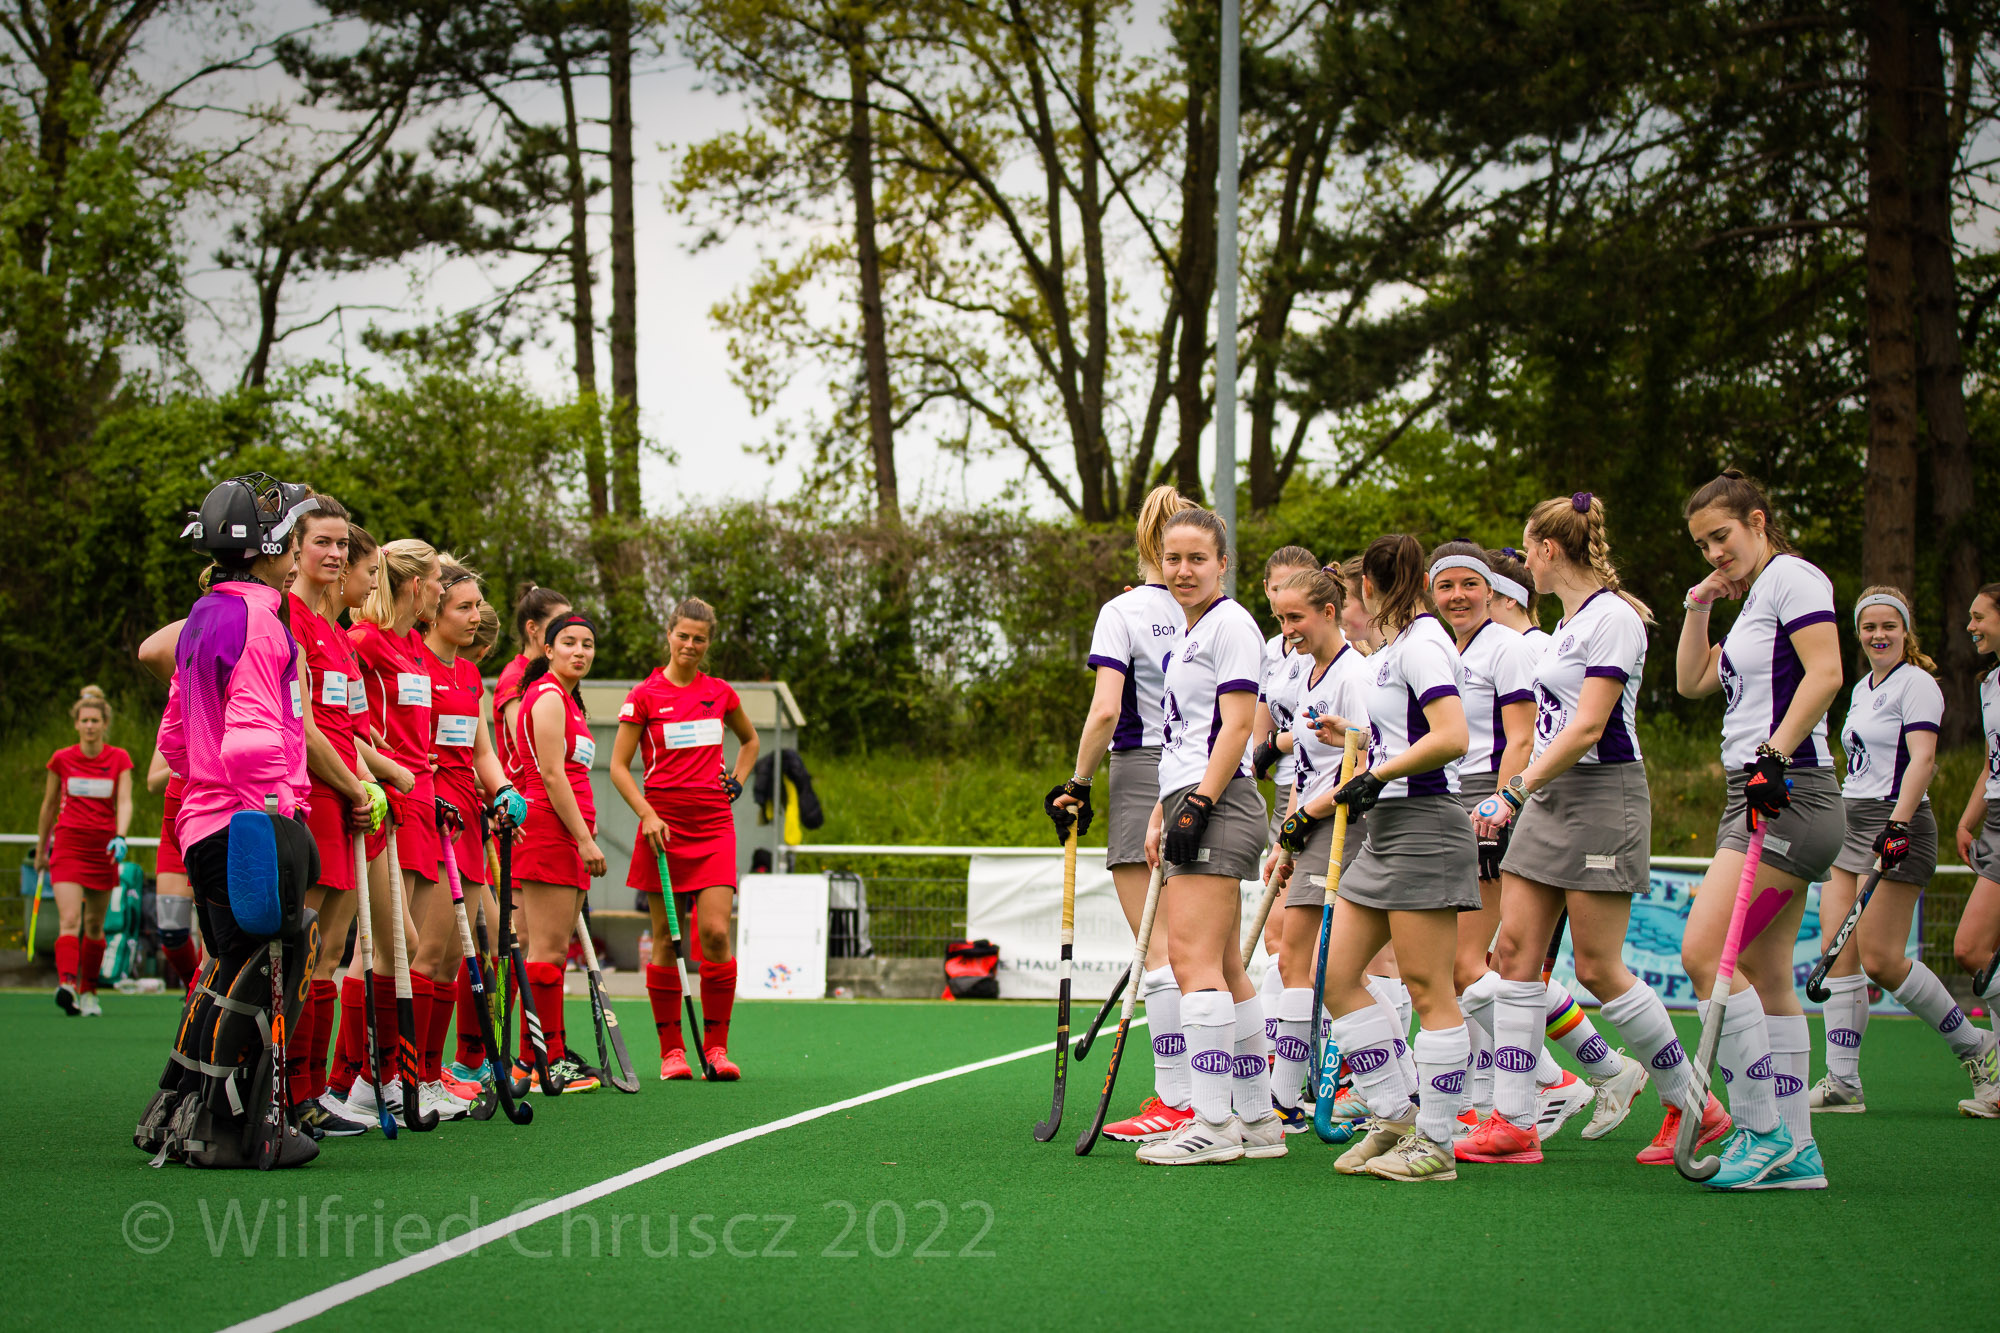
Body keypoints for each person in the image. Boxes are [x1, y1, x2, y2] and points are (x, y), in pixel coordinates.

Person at [1458, 494, 1688, 1169]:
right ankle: (1514, 1123)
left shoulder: (1614, 618)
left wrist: (1513, 790)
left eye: (1527, 548)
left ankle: (1693, 1101)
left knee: (1597, 967)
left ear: (1549, 549)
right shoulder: (1568, 623)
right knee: (1512, 955)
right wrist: (1525, 790)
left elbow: (1589, 727)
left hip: (1601, 796)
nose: (1523, 561)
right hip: (1552, 797)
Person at [1279, 534, 1474, 1182]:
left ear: (1369, 589)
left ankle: (1438, 1143)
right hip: (1386, 829)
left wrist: (1376, 772)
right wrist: (1356, 737)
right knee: (1334, 977)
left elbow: (1452, 736)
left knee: (1428, 987)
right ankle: (1395, 1115)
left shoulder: (1422, 643)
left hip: (1424, 824)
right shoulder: (1393, 651)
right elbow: (1405, 731)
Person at [1674, 471, 1846, 1190]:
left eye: (1722, 536)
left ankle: (1761, 1129)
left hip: (1788, 793)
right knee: (1768, 974)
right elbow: (1691, 682)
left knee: (1703, 955)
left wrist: (1774, 755)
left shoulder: (1793, 579)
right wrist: (1698, 606)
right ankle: (1797, 1150)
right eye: (1702, 544)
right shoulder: (1751, 603)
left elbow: (1827, 672)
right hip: (1753, 794)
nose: (1715, 552)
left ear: (1758, 521)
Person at [145, 473, 322, 1165]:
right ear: (270, 550)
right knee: (271, 959)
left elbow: (173, 738)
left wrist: (213, 784)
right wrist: (277, 813)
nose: (299, 553)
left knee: (228, 964)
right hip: (248, 820)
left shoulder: (204, 614)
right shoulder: (261, 621)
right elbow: (250, 743)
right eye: (293, 541)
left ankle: (186, 1111)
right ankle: (237, 1128)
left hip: (203, 820)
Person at [1046, 485, 1195, 1143]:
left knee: (1157, 950)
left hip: (1143, 772)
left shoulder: (1123, 611)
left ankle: (1177, 1098)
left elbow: (1107, 709)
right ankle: (1237, 1100)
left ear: (1140, 542)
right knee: (1208, 953)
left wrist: (1077, 782)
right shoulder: (1216, 613)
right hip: (1211, 772)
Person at [1132, 506, 1278, 1165]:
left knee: (1193, 962)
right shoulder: (1191, 634)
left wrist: (1197, 804)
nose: (1184, 570)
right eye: (1173, 558)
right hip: (1192, 796)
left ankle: (1213, 1123)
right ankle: (1258, 1120)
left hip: (1217, 800)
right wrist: (1163, 812)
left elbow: (1238, 726)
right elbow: (1184, 736)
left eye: (1197, 558)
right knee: (1223, 966)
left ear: (1223, 563)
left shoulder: (1231, 624)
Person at [1814, 586, 1993, 1114]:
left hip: (1898, 823)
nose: (1878, 635)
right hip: (1852, 822)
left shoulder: (1917, 684)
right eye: (1868, 627)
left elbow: (1924, 759)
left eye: (1888, 625)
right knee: (1837, 952)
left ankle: (1976, 1048)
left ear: (1905, 630)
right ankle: (1843, 1082)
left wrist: (1897, 824)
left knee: (1883, 960)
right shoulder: (1862, 688)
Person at [613, 597, 760, 1081]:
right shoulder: (644, 695)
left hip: (714, 825)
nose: (690, 645)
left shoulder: (719, 692)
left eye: (700, 638)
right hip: (663, 827)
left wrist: (737, 779)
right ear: (669, 635)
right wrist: (647, 814)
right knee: (664, 939)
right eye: (683, 635)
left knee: (715, 933)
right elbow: (618, 767)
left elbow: (750, 740)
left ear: (708, 643)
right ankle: (671, 1052)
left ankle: (716, 1049)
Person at [342, 537, 463, 1124]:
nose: (442, 589)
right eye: (437, 579)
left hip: (418, 799)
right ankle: (353, 1080)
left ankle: (380, 1077)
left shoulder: (413, 646)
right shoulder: (364, 640)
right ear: (415, 584)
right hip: (385, 799)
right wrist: (384, 771)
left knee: (399, 948)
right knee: (391, 945)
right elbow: (344, 725)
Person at [281, 496, 385, 1136]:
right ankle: (284, 1094)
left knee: (324, 958)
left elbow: (347, 730)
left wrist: (369, 783)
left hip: (346, 800)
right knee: (298, 955)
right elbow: (304, 729)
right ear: (294, 550)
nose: (337, 554)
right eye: (322, 541)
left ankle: (312, 1094)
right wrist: (354, 787)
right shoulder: (286, 618)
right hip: (313, 797)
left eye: (343, 543)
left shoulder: (334, 634)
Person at [1259, 566, 1371, 1132]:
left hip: (1345, 823)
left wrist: (1311, 815)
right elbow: (1305, 764)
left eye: (1296, 617)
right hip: (1311, 823)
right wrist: (1289, 829)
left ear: (1329, 612)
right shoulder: (1307, 672)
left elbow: (1367, 762)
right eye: (1281, 618)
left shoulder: (1355, 674)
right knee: (1299, 962)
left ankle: (1284, 1101)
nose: (1287, 629)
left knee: (1306, 963)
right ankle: (1288, 1099)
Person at [420, 560, 526, 1094]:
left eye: (477, 605)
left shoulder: (467, 675)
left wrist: (504, 790)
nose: (476, 616)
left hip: (468, 818)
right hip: (429, 814)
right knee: (428, 954)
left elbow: (482, 752)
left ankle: (430, 1074)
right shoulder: (412, 662)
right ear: (432, 608)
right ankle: (398, 1075)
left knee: (449, 959)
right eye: (464, 606)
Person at [511, 611, 605, 1093]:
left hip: (568, 832)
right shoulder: (547, 697)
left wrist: (585, 832)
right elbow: (550, 775)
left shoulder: (569, 701)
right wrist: (585, 839)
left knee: (548, 952)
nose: (579, 651)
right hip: (551, 830)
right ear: (548, 649)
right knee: (546, 953)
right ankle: (538, 1061)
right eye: (569, 642)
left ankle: (541, 1058)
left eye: (587, 644)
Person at [35, 685, 133, 1015]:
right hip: (67, 847)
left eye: (95, 720)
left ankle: (89, 991)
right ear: (76, 723)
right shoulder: (61, 759)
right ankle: (66, 985)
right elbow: (48, 806)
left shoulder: (119, 758)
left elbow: (124, 801)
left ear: (105, 723)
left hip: (103, 849)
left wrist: (121, 836)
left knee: (94, 924)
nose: (90, 725)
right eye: (85, 720)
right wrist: (41, 849)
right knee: (69, 919)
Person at [1951, 583, 2000, 1117]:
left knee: (1970, 948)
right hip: (1996, 819)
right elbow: (1993, 761)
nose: (1971, 626)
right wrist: (1969, 820)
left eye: (1979, 616)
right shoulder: (1990, 683)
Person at [495, 585, 573, 785]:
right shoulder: (514, 677)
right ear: (532, 628)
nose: (567, 631)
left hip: (556, 790)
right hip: (525, 794)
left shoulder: (555, 678)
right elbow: (528, 748)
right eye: (558, 623)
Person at [144, 750, 201, 987]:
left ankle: (206, 991)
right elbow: (152, 783)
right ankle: (192, 989)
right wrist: (188, 761)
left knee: (214, 929)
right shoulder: (172, 728)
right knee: (171, 932)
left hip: (215, 821)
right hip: (176, 828)